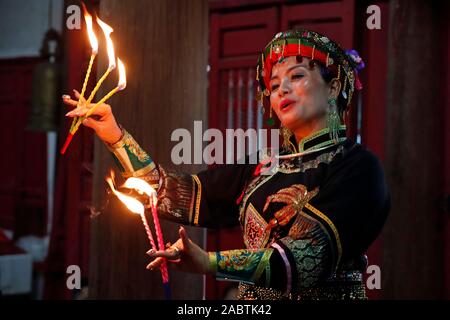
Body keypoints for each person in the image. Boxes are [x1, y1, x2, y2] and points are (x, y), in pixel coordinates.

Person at [64, 29, 390, 300]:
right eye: (274, 85)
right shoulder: (263, 170)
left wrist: (209, 262)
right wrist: (115, 135)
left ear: (333, 86)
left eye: (297, 76)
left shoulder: (358, 168)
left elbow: (301, 259)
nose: (282, 90)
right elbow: (165, 192)